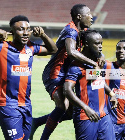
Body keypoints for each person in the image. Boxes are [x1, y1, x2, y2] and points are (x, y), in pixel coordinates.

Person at [0, 15, 57, 140]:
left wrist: (43, 35)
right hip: (8, 105)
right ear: (12, 32)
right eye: (21, 29)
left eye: (28, 29)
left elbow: (53, 50)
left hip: (26, 104)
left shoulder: (31, 48)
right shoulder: (0, 47)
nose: (25, 33)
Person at [30, 4, 106, 140]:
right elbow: (71, 52)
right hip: (55, 72)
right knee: (62, 105)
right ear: (79, 16)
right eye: (88, 14)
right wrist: (94, 63)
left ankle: (36, 122)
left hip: (69, 73)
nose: (91, 16)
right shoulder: (71, 30)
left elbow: (95, 44)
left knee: (71, 112)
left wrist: (101, 55)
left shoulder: (84, 30)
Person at [63, 30, 116, 140]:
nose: (100, 46)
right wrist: (85, 108)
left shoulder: (96, 62)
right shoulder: (76, 66)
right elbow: (67, 90)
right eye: (97, 43)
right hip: (86, 115)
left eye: (101, 43)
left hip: (104, 114)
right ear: (86, 44)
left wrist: (111, 93)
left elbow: (98, 80)